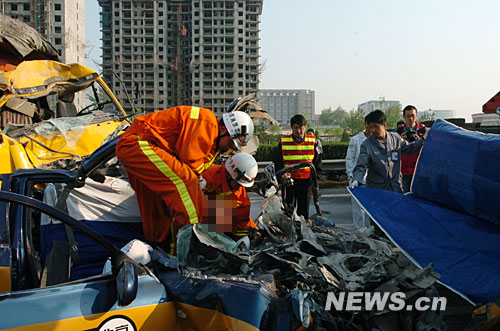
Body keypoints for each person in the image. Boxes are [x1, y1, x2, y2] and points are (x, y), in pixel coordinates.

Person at [116, 106, 254, 254]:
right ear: (223, 130)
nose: (229, 148)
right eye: (231, 143)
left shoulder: (212, 150)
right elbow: (190, 162)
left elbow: (238, 215)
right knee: (187, 183)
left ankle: (159, 250)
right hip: (138, 143)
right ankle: (187, 253)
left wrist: (250, 232)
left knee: (157, 208)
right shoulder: (207, 123)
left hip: (143, 149)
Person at [351, 110, 426, 193]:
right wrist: (356, 180)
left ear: (384, 125)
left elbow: (409, 149)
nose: (373, 130)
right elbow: (361, 166)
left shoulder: (396, 138)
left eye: (376, 127)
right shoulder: (366, 145)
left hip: (396, 188)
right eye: (371, 127)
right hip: (377, 190)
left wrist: (423, 140)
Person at [272, 114, 322, 218]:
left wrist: (315, 180)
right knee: (288, 211)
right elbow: (277, 161)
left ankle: (301, 232)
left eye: (301, 128)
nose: (298, 131)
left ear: (305, 127)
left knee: (303, 212)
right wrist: (282, 174)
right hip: (289, 181)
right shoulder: (283, 141)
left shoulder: (314, 142)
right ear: (291, 128)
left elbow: (318, 163)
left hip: (306, 181)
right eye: (296, 128)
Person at [200, 152, 259, 238]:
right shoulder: (208, 176)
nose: (239, 187)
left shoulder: (240, 195)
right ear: (231, 175)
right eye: (238, 184)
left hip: (210, 224)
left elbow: (241, 221)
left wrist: (252, 233)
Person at [345, 116, 371, 227]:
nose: (371, 128)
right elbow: (350, 159)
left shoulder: (377, 140)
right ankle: (359, 233)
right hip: (357, 179)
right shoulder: (355, 140)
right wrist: (351, 176)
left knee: (371, 210)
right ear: (365, 124)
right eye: (369, 125)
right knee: (358, 211)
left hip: (372, 180)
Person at [396, 105, 426, 193]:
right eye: (408, 116)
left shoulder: (424, 132)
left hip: (419, 171)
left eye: (413, 116)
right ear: (404, 117)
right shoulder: (397, 132)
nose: (411, 118)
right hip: (403, 172)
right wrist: (400, 139)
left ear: (416, 115)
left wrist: (420, 140)